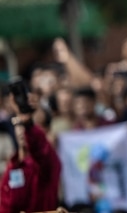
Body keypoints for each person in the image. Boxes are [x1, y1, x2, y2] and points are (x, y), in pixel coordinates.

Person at [0, 80, 62, 212]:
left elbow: (40, 149)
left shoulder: (48, 165)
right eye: (19, 124)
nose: (23, 130)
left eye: (36, 125)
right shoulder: (13, 166)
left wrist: (29, 124)